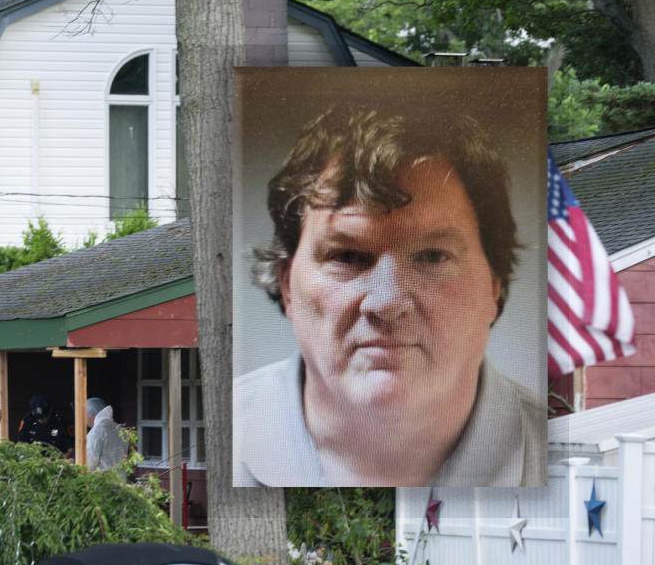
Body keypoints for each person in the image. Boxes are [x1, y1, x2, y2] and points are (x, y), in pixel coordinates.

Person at [234, 106, 546, 488]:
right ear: (286, 285)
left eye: (432, 256)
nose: (386, 303)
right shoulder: (220, 429)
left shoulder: (564, 450)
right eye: (347, 256)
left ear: (494, 285)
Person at [85, 397, 127, 471]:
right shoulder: (118, 428)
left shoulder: (96, 432)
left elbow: (90, 463)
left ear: (90, 414)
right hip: (120, 478)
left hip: (102, 480)